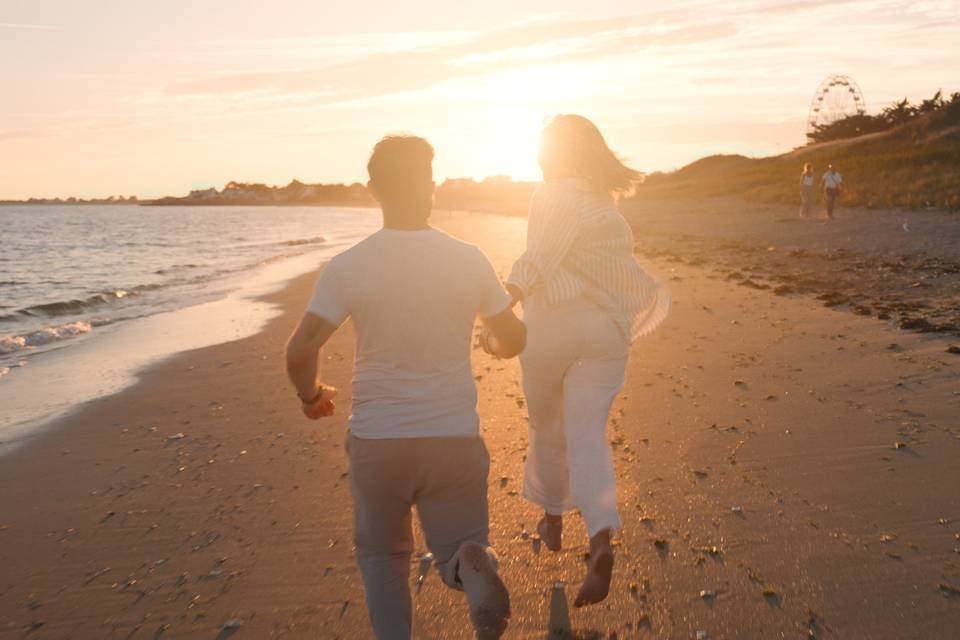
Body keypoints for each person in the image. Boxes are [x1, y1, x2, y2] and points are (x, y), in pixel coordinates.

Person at [285, 135, 526, 640]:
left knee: (383, 554)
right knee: (460, 545)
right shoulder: (468, 258)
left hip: (379, 439)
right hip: (453, 437)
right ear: (431, 185)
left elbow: (301, 351)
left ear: (374, 190)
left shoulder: (350, 265)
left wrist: (312, 398)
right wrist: (494, 343)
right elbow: (514, 337)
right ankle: (468, 566)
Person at [504, 115, 670, 608]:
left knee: (547, 427)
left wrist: (501, 300)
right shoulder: (602, 200)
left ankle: (553, 518)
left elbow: (540, 258)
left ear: (555, 153)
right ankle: (599, 538)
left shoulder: (552, 194)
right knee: (586, 435)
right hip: (606, 330)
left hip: (554, 323)